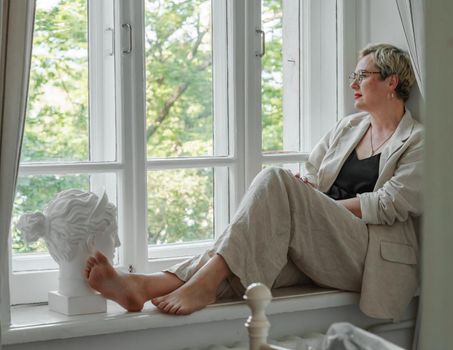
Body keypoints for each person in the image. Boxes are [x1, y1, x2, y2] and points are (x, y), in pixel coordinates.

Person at [85, 43, 423, 321]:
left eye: (362, 76)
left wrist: (318, 207)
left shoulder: (419, 140)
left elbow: (388, 204)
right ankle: (146, 286)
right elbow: (314, 171)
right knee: (248, 249)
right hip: (323, 241)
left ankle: (191, 285)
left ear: (391, 82)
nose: (353, 84)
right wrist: (305, 191)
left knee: (274, 178)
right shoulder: (349, 127)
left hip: (369, 254)